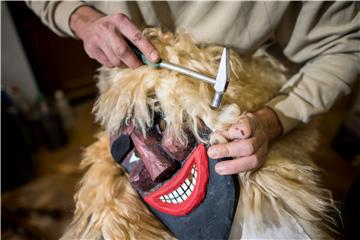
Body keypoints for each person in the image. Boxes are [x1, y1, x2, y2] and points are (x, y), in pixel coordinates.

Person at [27, 1, 359, 175]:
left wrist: (275, 119)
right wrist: (80, 18)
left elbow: (347, 44)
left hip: (239, 124)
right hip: (125, 101)